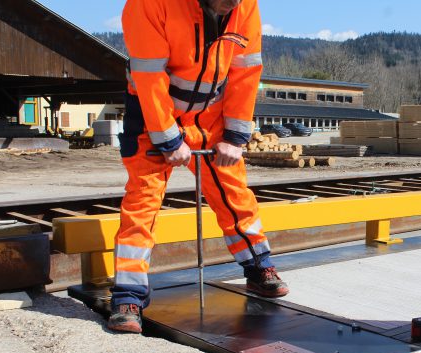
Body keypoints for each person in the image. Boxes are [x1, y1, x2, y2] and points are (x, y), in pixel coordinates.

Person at [108, 0, 288, 334]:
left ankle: (259, 267)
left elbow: (245, 71)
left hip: (211, 116)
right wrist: (168, 140)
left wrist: (235, 136)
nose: (232, 4)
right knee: (142, 200)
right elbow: (149, 76)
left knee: (234, 193)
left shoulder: (245, 5)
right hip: (153, 115)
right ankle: (128, 296)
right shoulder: (149, 5)